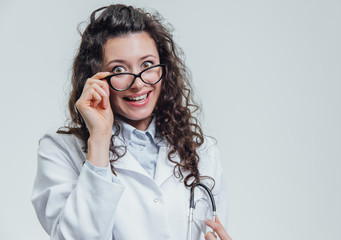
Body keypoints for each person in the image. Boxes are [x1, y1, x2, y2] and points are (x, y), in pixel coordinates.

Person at [32, 4, 232, 240]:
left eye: (147, 65)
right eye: (119, 69)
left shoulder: (203, 152)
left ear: (164, 69)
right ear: (96, 79)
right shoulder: (61, 151)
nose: (138, 83)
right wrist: (99, 139)